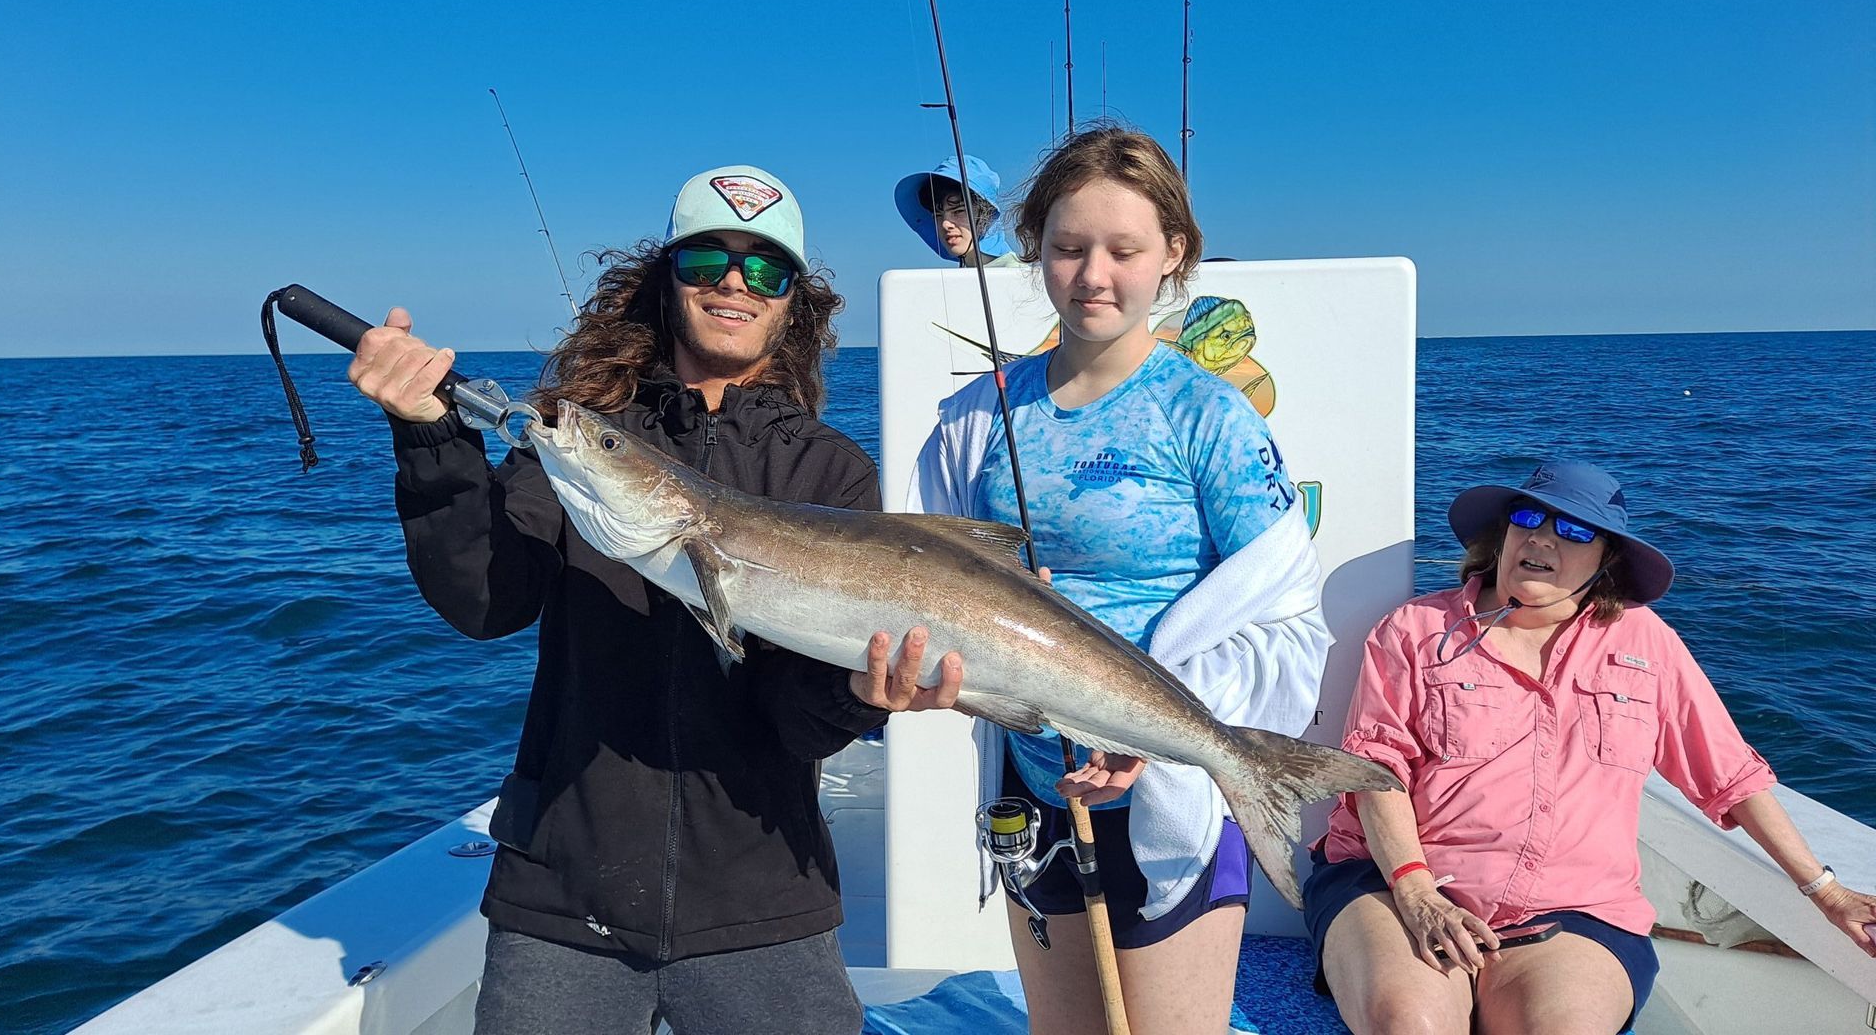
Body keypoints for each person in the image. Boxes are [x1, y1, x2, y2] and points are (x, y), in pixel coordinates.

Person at [346, 164, 961, 1035]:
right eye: (709, 260)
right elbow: (485, 602)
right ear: (666, 281)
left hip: (763, 900)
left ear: (795, 304)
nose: (736, 285)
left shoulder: (827, 471)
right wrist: (431, 440)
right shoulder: (581, 437)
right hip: (563, 893)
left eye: (767, 269)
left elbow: (796, 715)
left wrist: (862, 696)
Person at [910, 125, 1331, 1035]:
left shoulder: (1209, 418)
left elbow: (1292, 624)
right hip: (1030, 790)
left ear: (1173, 254)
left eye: (1123, 249)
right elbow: (926, 583)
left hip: (1172, 793)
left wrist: (1152, 731)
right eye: (1067, 247)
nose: (1093, 274)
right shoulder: (975, 419)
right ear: (1036, 252)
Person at [1306, 460, 1876, 1034]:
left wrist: (1828, 894)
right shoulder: (1415, 629)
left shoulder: (1647, 643)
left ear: (1606, 560)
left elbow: (1731, 775)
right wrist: (1418, 893)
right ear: (1502, 535)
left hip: (1574, 912)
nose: (1542, 537)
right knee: (1413, 1024)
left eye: (1575, 530)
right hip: (1394, 884)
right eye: (1528, 517)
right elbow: (1375, 769)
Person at [894, 155, 1024, 268]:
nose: (945, 224)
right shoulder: (958, 278)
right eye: (938, 215)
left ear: (986, 215)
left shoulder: (1015, 272)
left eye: (958, 211)